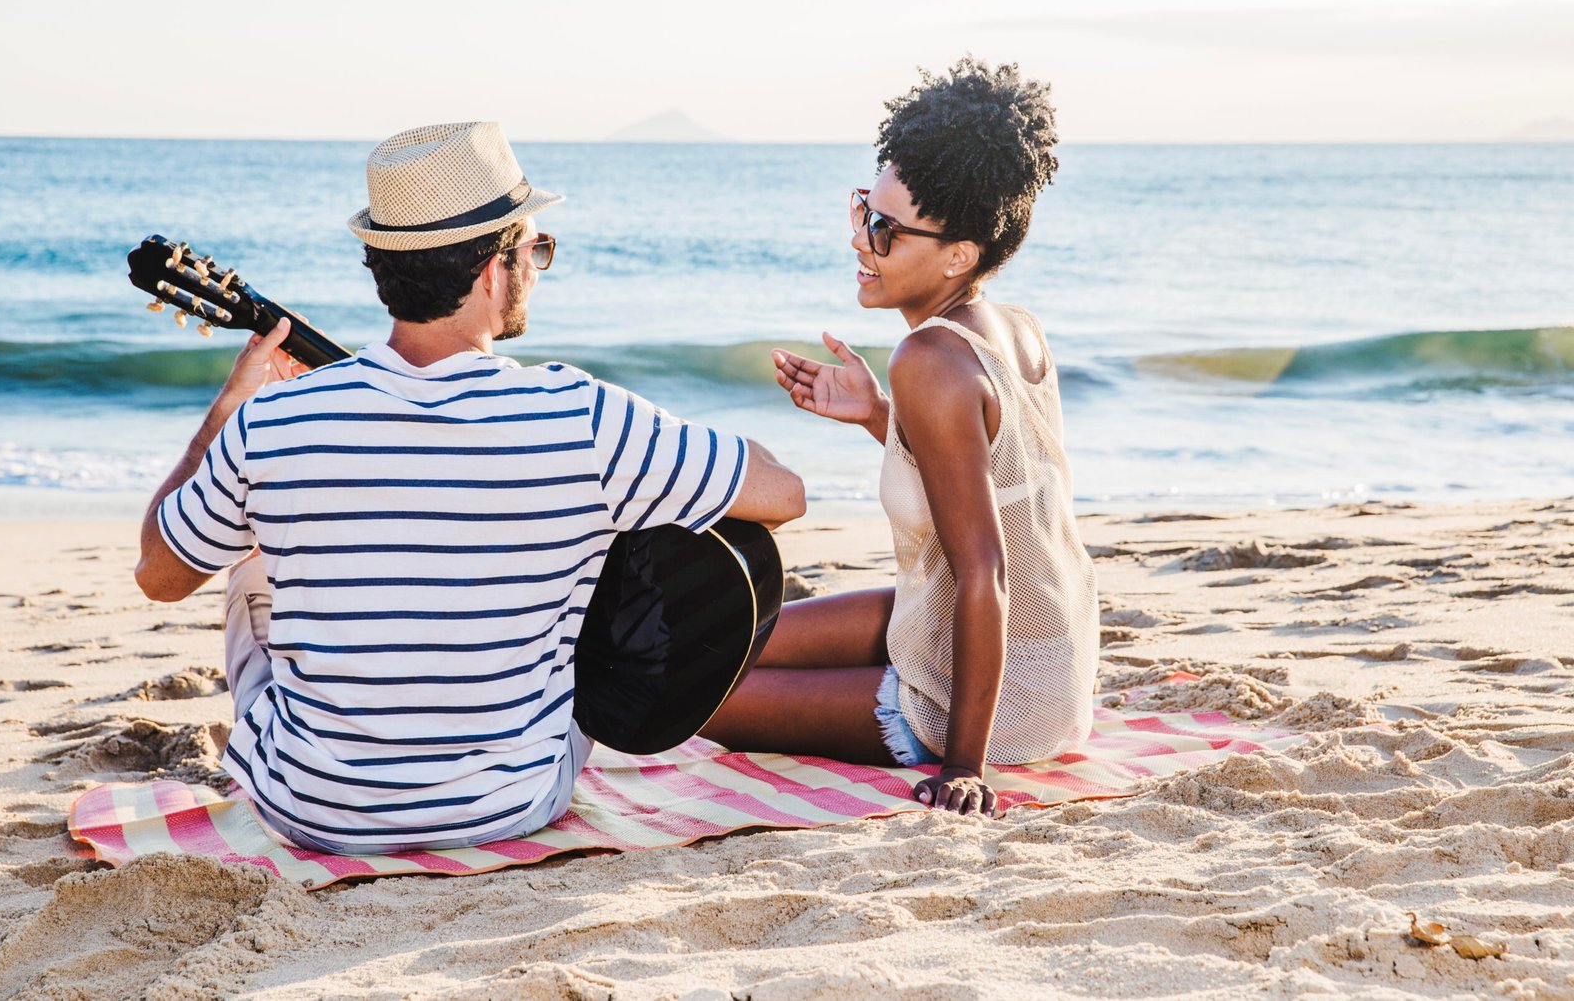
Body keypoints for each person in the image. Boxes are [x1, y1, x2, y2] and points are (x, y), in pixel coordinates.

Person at [134, 122, 805, 854]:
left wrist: (221, 420)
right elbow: (783, 492)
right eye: (534, 250)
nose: (537, 269)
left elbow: (159, 576)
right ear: (493, 272)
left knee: (250, 570)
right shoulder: (582, 416)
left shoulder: (270, 421)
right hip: (511, 802)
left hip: (313, 811)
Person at [701, 59, 1099, 816]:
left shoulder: (931, 359)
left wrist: (964, 765)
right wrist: (880, 414)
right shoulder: (1010, 328)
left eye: (885, 229)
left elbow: (987, 570)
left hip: (1001, 694)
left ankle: (954, 731)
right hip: (1047, 659)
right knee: (728, 639)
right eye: (863, 209)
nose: (860, 239)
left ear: (958, 254)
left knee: (702, 701)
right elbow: (992, 484)